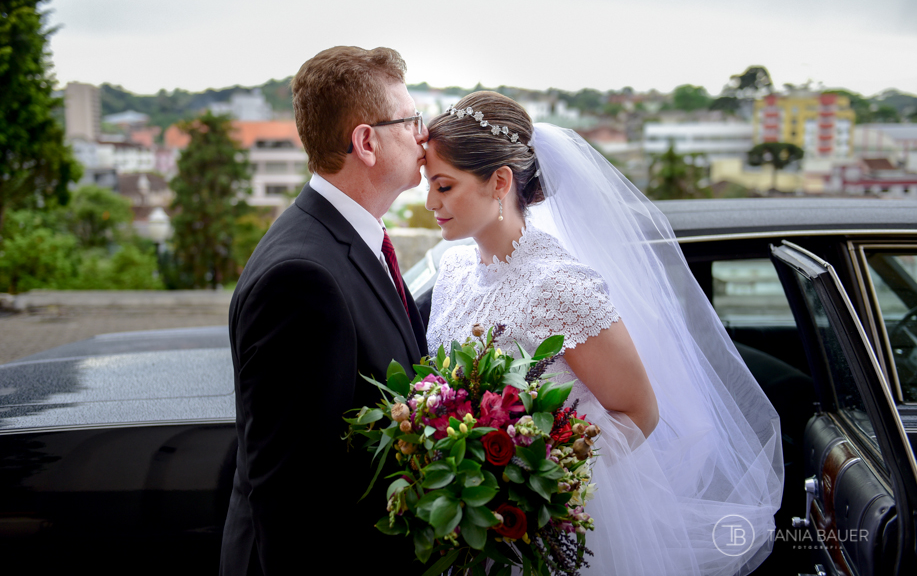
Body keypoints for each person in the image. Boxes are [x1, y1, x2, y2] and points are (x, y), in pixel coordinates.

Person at [423, 91, 783, 575]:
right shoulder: (453, 269)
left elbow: (639, 411)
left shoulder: (559, 285)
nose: (430, 202)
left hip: (544, 529)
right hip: (463, 521)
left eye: (444, 186)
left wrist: (534, 481)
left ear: (500, 182)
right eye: (429, 185)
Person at [220, 46, 429, 576]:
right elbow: (292, 496)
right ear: (366, 142)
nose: (423, 137)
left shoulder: (345, 239)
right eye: (411, 121)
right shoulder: (303, 279)